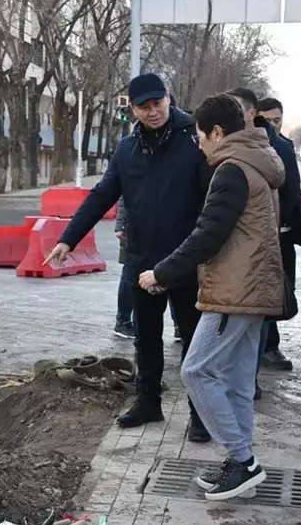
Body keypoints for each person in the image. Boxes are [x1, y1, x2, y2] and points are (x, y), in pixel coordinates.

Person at [46, 74, 213, 434]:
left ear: (169, 98)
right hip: (141, 259)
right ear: (132, 108)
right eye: (144, 107)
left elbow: (212, 200)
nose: (152, 112)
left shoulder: (194, 139)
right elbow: (101, 195)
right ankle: (147, 403)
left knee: (193, 340)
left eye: (158, 104)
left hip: (186, 259)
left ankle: (201, 414)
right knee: (146, 338)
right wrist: (68, 239)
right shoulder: (127, 147)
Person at [142, 94, 285, 500]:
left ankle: (243, 460)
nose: (200, 146)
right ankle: (242, 464)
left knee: (196, 371)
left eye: (201, 138)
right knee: (238, 381)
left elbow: (208, 234)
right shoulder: (259, 161)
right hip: (254, 288)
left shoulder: (232, 170)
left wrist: (161, 273)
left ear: (218, 133)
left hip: (235, 291)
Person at [252, 94, 301, 373]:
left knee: (278, 289)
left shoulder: (284, 147)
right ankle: (263, 347)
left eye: (278, 120)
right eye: (268, 120)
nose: (273, 125)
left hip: (281, 232)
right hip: (257, 232)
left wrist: (282, 223)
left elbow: (292, 191)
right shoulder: (252, 145)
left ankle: (270, 345)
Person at [114, 199, 136, 338]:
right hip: (133, 227)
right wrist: (121, 225)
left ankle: (178, 325)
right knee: (130, 273)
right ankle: (123, 321)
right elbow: (126, 194)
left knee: (173, 272)